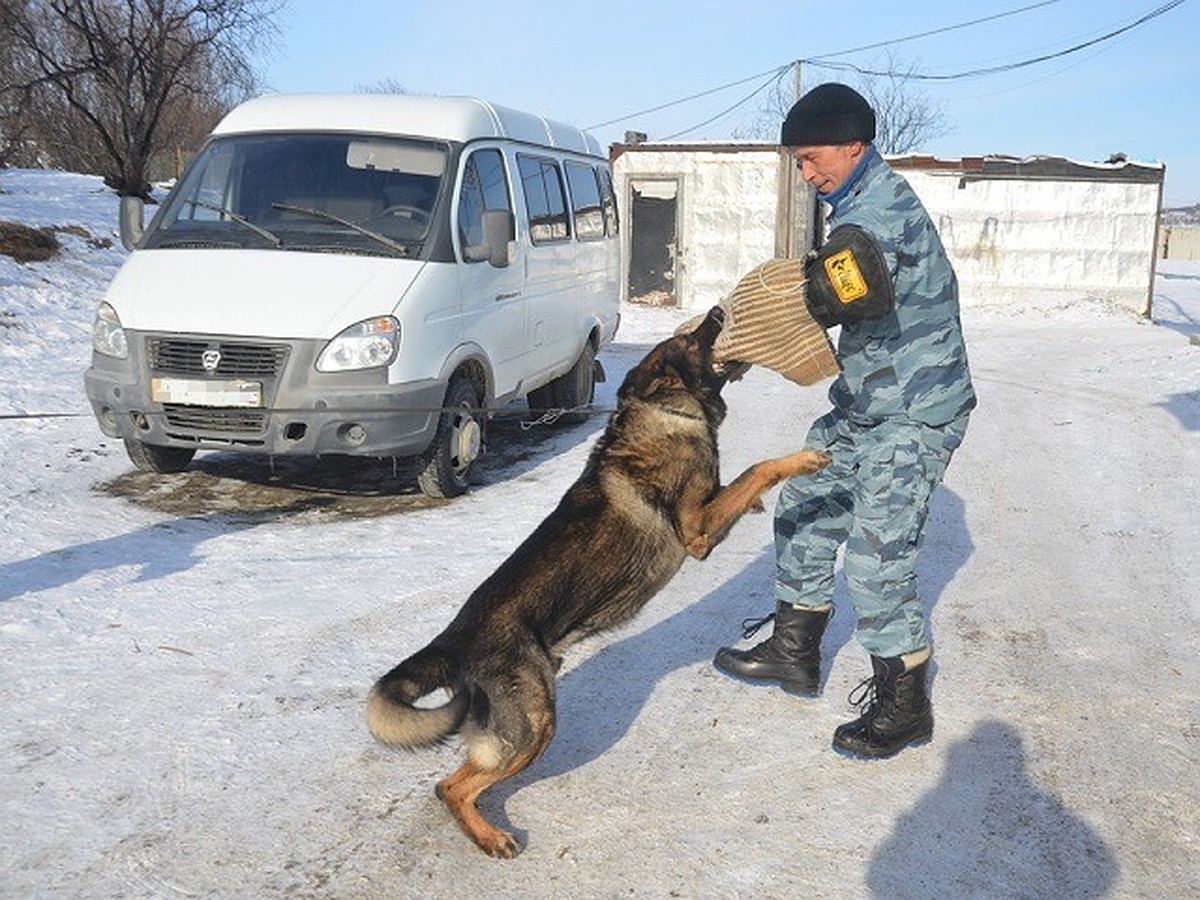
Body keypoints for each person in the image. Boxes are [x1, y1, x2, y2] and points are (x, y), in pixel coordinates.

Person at [713, 83, 976, 759]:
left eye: (810, 158)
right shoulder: (855, 204)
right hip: (866, 405)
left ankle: (904, 705)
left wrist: (769, 312)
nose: (806, 173)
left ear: (852, 143)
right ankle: (793, 652)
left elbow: (850, 281)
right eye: (798, 163)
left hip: (914, 413)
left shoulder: (877, 216)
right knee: (802, 505)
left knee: (876, 558)